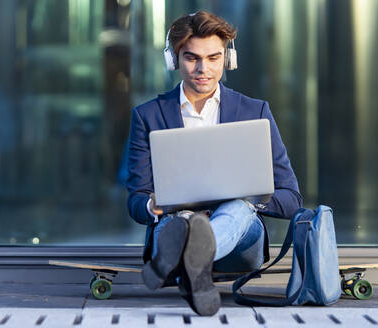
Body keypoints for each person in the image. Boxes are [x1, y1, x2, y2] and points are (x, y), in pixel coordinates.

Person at [125, 11, 302, 316]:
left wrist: (250, 196)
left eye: (213, 58)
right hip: (174, 220)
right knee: (178, 222)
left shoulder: (255, 112)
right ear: (174, 60)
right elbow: (136, 200)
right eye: (191, 58)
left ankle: (183, 257)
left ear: (228, 59)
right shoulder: (148, 116)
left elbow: (292, 198)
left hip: (240, 243)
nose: (202, 69)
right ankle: (194, 266)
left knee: (238, 206)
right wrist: (150, 204)